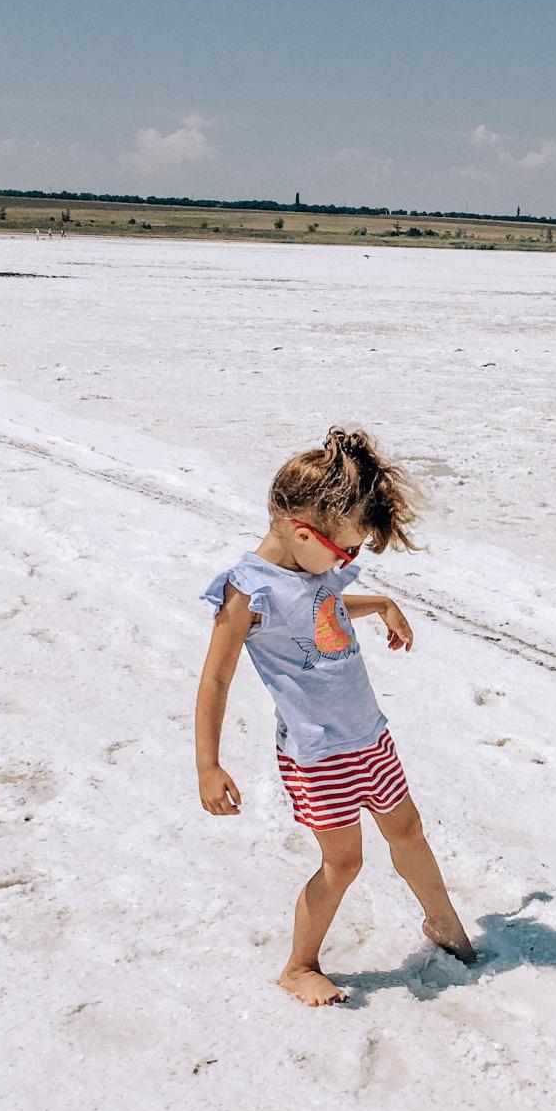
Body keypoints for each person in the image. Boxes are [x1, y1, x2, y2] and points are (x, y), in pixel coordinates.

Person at [195, 425, 474, 1006]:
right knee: (343, 863)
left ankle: (446, 926)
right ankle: (299, 966)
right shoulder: (247, 593)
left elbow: (320, 606)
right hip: (317, 754)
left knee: (409, 833)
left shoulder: (310, 571)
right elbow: (216, 678)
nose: (347, 561)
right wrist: (208, 765)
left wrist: (383, 605)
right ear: (302, 531)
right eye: (346, 549)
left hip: (369, 737)